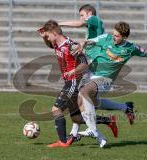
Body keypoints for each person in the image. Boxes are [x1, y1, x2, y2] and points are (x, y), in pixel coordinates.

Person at [75, 21, 147, 145]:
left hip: (105, 80)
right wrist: (82, 43)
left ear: (124, 37)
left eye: (117, 36)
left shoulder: (131, 48)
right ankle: (112, 124)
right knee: (85, 101)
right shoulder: (106, 37)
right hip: (91, 74)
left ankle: (92, 129)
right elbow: (89, 41)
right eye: (114, 34)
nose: (113, 37)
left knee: (83, 93)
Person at [37, 20, 118, 148]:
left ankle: (62, 142)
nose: (47, 38)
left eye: (47, 35)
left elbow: (84, 64)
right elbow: (50, 45)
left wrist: (73, 71)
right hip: (68, 82)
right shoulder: (58, 44)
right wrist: (44, 37)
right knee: (76, 118)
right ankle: (108, 120)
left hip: (74, 82)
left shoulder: (71, 46)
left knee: (56, 109)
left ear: (54, 32)